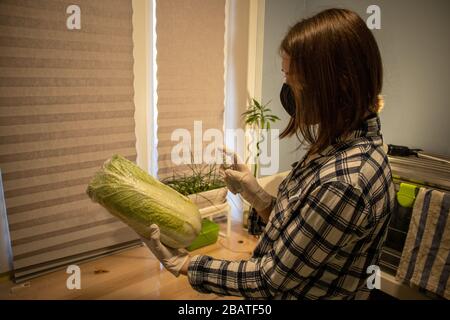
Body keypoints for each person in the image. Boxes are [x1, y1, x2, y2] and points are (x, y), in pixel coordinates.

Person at [143, 8, 396, 300]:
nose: (286, 91)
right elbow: (301, 230)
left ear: (336, 83)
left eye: (293, 81)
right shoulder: (341, 147)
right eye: (284, 76)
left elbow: (270, 280)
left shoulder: (344, 182)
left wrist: (185, 263)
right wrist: (258, 196)